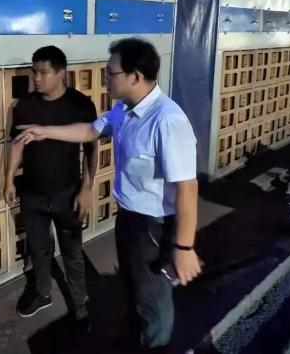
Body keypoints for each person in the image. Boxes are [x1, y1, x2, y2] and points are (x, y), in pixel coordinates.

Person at [16, 38, 201, 352]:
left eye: (110, 73)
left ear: (135, 76)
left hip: (154, 227)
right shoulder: (124, 110)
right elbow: (90, 131)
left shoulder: (167, 120)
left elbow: (187, 187)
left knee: (152, 300)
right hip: (128, 218)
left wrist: (184, 246)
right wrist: (44, 131)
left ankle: (156, 347)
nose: (105, 78)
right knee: (131, 290)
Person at [4, 46, 98, 328]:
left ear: (61, 73)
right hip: (32, 194)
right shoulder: (24, 106)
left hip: (67, 194)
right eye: (34, 72)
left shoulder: (80, 105)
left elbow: (91, 148)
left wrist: (86, 188)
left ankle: (80, 303)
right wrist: (9, 178)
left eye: (43, 72)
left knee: (72, 252)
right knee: (39, 249)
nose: (36, 78)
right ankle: (43, 293)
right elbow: (17, 144)